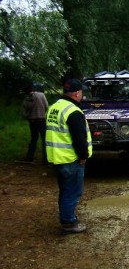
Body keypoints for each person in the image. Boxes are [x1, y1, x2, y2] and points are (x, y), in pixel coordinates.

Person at [46, 79, 92, 234]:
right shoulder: (73, 111)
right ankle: (68, 223)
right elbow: (79, 139)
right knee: (72, 191)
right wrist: (83, 156)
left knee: (65, 190)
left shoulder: (54, 107)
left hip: (57, 158)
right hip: (71, 159)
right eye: (82, 92)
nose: (82, 95)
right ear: (77, 93)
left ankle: (66, 216)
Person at [22, 83, 49, 164]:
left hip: (32, 120)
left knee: (34, 138)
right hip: (41, 119)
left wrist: (28, 116)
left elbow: (24, 112)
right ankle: (46, 159)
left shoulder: (26, 99)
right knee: (44, 139)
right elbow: (47, 106)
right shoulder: (41, 95)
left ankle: (30, 156)